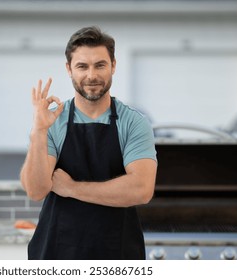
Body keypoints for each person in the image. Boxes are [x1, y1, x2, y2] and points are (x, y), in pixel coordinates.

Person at [20, 26, 157, 260]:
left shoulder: (133, 122)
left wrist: (71, 188)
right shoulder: (52, 120)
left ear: (113, 65)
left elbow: (141, 190)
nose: (91, 75)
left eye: (100, 65)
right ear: (69, 69)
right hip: (57, 252)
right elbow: (36, 189)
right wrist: (39, 131)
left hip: (117, 254)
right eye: (82, 66)